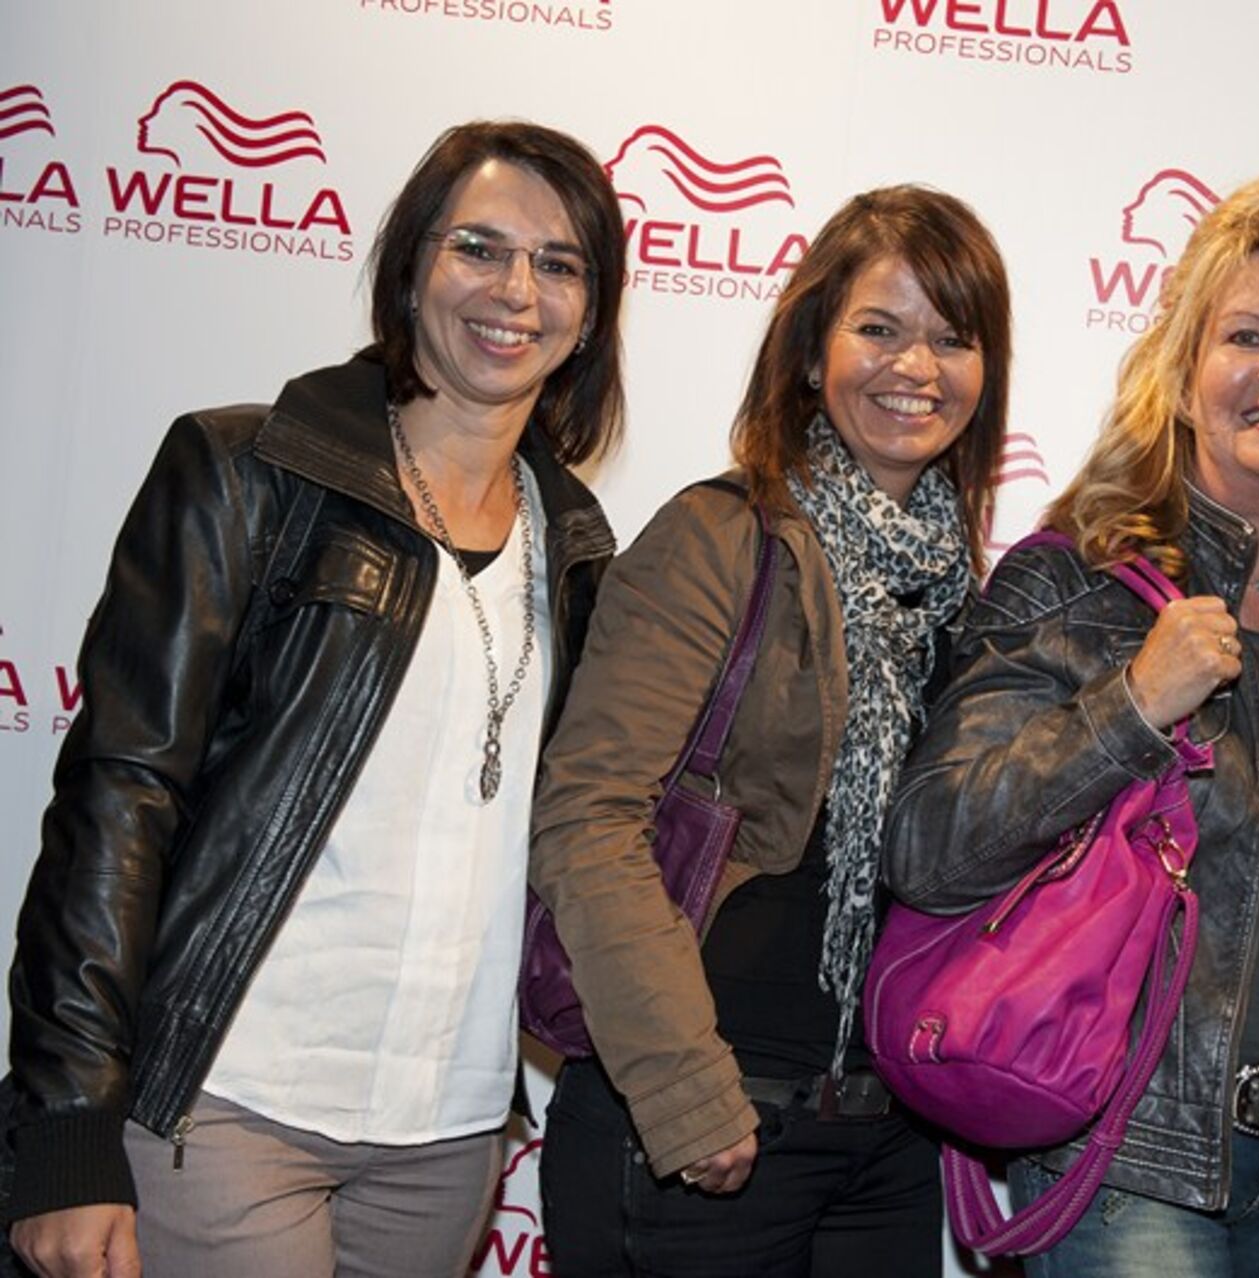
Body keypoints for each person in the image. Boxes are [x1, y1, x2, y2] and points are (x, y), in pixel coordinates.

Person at [1, 120, 626, 1278]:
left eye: (559, 264)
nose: (515, 291)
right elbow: (117, 803)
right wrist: (68, 1124)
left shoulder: (580, 551)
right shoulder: (246, 476)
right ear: (410, 267)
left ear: (591, 312)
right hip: (228, 1098)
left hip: (447, 1135)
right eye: (478, 247)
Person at [883, 173, 1259, 1277]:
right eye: (1247, 335)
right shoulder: (1073, 583)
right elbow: (929, 848)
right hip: (1131, 1159)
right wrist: (1131, 706)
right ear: (1183, 380)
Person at [528, 185, 1011, 1278]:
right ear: (809, 352)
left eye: (952, 338)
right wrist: (684, 1091)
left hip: (887, 1145)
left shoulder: (959, 591)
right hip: (703, 1133)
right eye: (878, 328)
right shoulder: (719, 537)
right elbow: (586, 820)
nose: (916, 367)